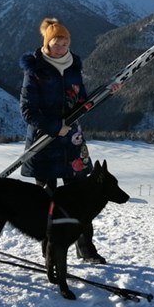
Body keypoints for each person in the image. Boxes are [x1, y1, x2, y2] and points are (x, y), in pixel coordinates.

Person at [19, 17, 108, 264]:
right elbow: (27, 110)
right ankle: (51, 251)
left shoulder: (73, 68)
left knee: (81, 202)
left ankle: (86, 250)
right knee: (48, 204)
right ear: (47, 44)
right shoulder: (35, 70)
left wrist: (107, 93)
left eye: (65, 43)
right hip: (44, 143)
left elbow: (82, 103)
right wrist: (54, 127)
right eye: (57, 44)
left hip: (72, 145)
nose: (62, 48)